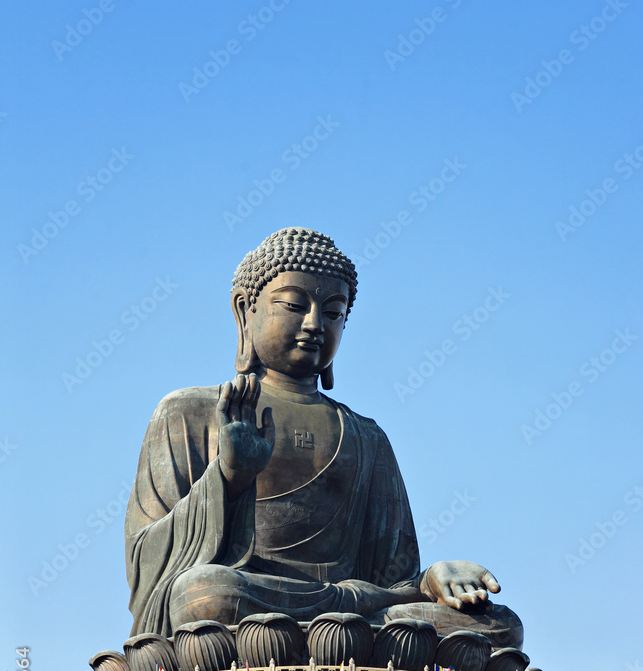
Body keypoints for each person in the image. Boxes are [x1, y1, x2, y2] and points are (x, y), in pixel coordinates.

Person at [125, 228, 520, 644]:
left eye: (333, 313)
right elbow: (146, 559)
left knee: (501, 626)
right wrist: (228, 477)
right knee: (203, 594)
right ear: (245, 311)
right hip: (241, 600)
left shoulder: (368, 439)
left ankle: (332, 631)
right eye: (295, 305)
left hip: (359, 609)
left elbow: (393, 579)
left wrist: (429, 581)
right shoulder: (191, 411)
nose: (314, 324)